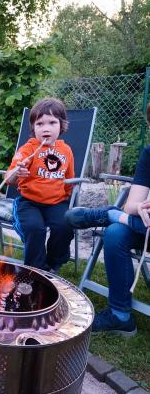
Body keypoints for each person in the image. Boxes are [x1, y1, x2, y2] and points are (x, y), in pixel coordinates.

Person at [65, 105, 150, 336]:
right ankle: (121, 315)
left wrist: (122, 215)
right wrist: (141, 207)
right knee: (115, 234)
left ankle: (109, 214)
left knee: (115, 222)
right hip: (145, 227)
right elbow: (132, 204)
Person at [5, 97, 75, 272]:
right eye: (40, 124)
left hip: (56, 202)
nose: (46, 128)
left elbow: (69, 178)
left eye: (52, 122)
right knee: (35, 229)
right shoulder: (28, 150)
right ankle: (35, 270)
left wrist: (66, 199)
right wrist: (17, 172)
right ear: (33, 128)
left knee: (65, 225)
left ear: (62, 126)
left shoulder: (66, 150)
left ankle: (53, 264)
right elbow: (9, 179)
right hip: (29, 202)